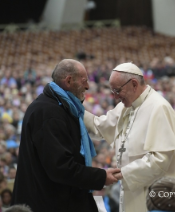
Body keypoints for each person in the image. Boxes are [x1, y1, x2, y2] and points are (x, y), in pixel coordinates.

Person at [12, 59, 120, 212]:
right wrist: (100, 177)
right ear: (69, 80)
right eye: (84, 81)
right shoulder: (49, 113)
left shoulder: (58, 106)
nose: (88, 86)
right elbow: (60, 167)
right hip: (48, 202)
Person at [84, 62, 175, 212]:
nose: (115, 96)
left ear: (133, 84)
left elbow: (160, 160)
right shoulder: (126, 106)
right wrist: (76, 110)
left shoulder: (158, 107)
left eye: (117, 90)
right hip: (135, 192)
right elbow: (99, 127)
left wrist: (123, 173)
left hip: (161, 197)